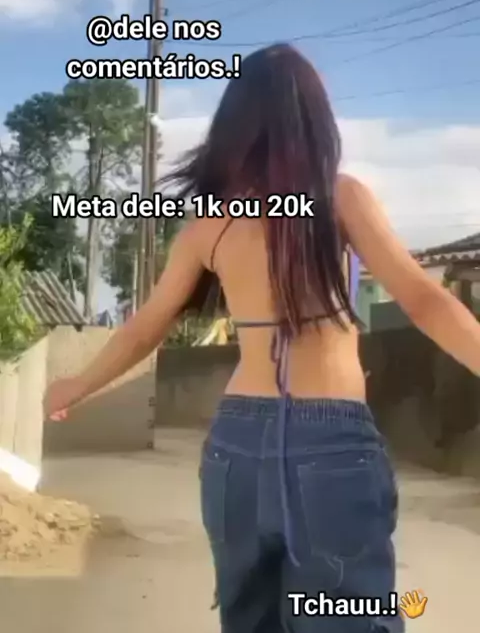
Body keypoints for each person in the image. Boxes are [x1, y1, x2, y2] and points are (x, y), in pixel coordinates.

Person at [45, 44, 480, 632]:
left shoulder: (208, 227)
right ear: (313, 120)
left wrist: (75, 386)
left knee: (250, 621)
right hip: (331, 444)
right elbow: (425, 300)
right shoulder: (340, 198)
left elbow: (145, 326)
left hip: (236, 447)